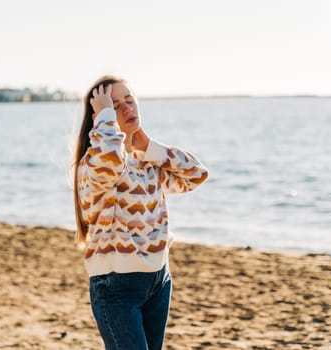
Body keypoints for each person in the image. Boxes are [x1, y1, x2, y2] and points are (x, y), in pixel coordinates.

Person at [72, 74, 209, 350]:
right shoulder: (93, 166)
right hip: (116, 289)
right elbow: (110, 163)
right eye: (115, 105)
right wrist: (106, 118)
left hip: (159, 280)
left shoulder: (146, 161)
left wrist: (149, 147)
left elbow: (197, 174)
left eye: (130, 100)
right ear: (100, 118)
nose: (127, 109)